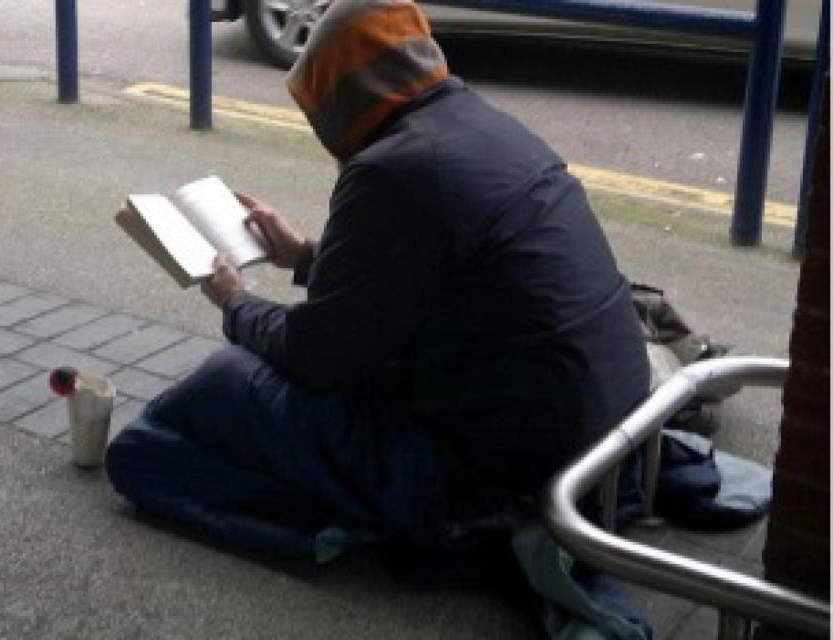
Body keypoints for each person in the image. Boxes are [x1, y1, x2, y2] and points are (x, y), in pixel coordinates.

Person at [106, 0, 649, 568]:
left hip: (500, 477)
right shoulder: (486, 125)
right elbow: (428, 277)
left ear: (339, 100)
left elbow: (317, 356)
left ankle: (337, 529)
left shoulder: (390, 170)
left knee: (210, 394)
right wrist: (305, 256)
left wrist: (235, 302)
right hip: (607, 438)